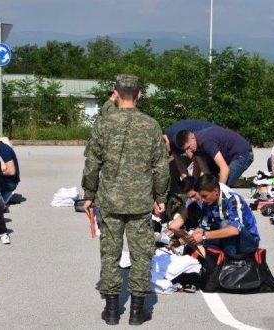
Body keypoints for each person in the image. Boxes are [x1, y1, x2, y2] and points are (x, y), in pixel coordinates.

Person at [81, 74, 169, 326]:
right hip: (140, 201)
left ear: (116, 93)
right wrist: (160, 196)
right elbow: (161, 166)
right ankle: (137, 311)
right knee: (141, 254)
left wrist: (89, 194)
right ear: (139, 94)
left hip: (109, 199)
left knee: (110, 254)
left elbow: (92, 163)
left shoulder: (103, 124)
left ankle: (111, 311)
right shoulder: (151, 125)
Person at [187, 175, 260, 256]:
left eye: (204, 196)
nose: (202, 199)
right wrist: (191, 236)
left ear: (215, 191)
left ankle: (229, 257)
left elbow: (235, 230)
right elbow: (203, 227)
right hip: (229, 240)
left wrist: (204, 236)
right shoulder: (207, 202)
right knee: (198, 243)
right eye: (201, 196)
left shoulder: (232, 199)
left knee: (224, 224)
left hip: (248, 242)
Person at [176, 126, 253, 187]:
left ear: (193, 137)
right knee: (213, 184)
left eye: (189, 147)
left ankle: (223, 203)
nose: (189, 151)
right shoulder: (195, 147)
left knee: (223, 185)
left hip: (243, 154)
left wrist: (219, 191)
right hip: (229, 156)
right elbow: (206, 173)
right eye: (186, 149)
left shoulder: (206, 141)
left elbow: (224, 169)